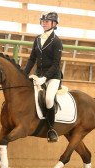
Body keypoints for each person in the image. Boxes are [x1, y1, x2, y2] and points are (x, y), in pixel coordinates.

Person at [24, 11, 63, 143]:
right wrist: (24, 74)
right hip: (38, 75)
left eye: (46, 21)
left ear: (54, 23)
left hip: (53, 76)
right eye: (43, 21)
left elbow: (56, 64)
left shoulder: (57, 42)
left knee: (48, 99)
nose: (44, 23)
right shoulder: (37, 39)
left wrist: (45, 78)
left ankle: (52, 129)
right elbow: (31, 59)